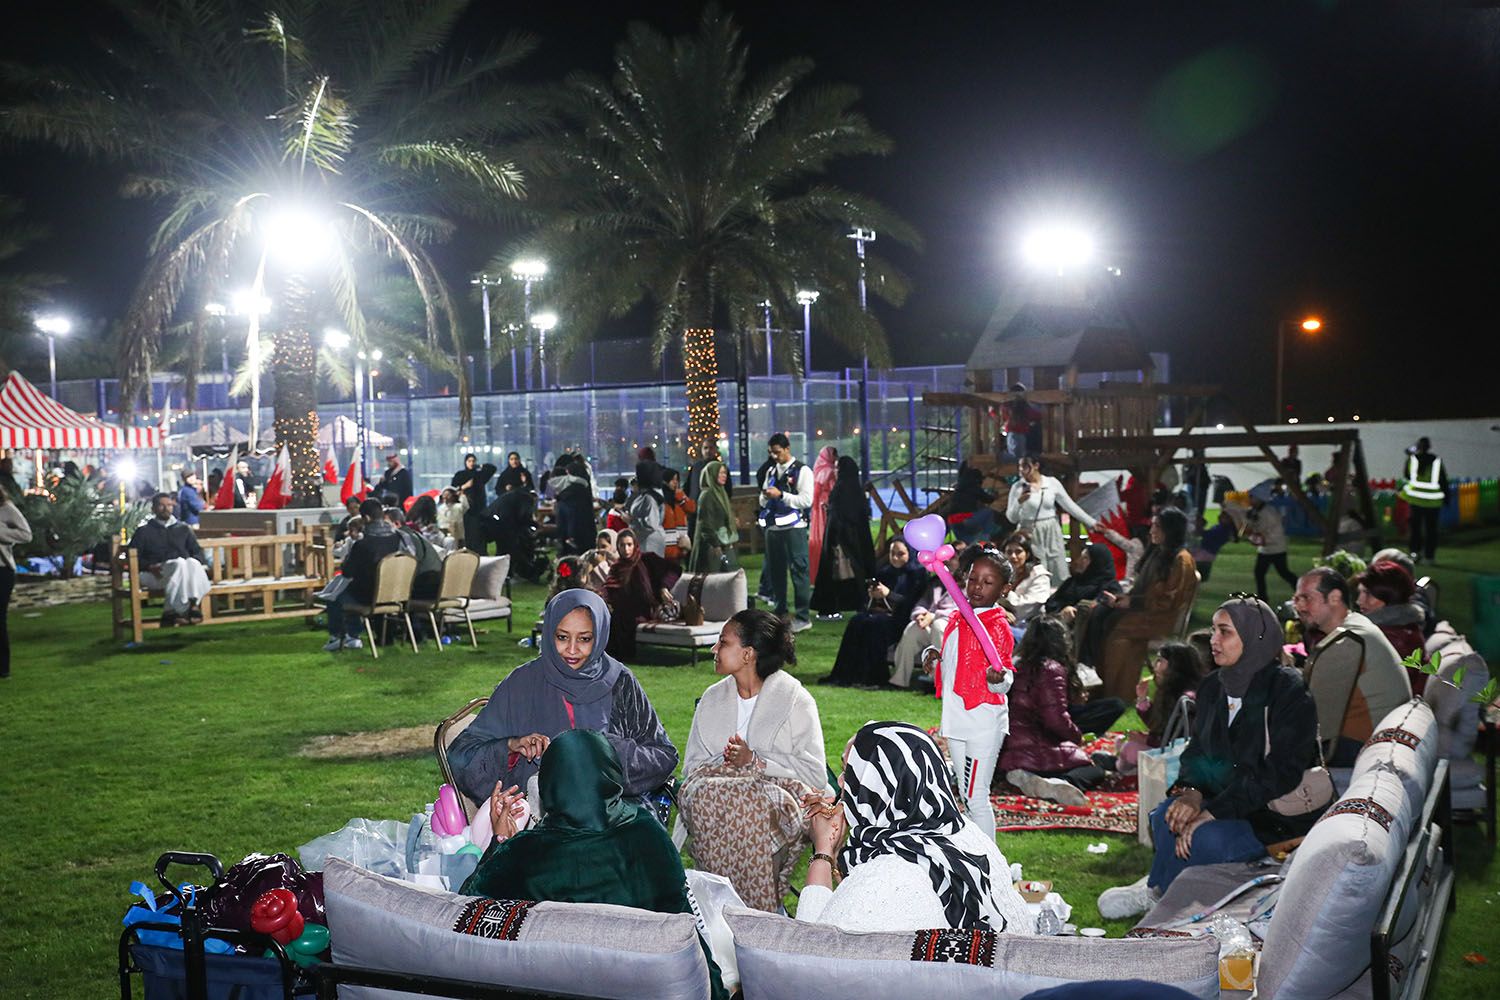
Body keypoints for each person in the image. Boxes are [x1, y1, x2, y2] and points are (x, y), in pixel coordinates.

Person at [1098, 597, 1326, 920]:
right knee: (1166, 816)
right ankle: (1162, 888)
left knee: (1205, 837)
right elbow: (1198, 753)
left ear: (1255, 637)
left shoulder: (1287, 690)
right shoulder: (1213, 687)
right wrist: (1191, 792)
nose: (1214, 640)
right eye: (1214, 630)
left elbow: (1280, 773)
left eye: (1225, 632)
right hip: (1225, 798)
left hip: (1273, 816)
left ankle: (1165, 894)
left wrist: (1212, 812)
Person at [458, 729, 726, 1000]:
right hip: (653, 987)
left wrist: (500, 842)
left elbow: (464, 909)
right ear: (611, 773)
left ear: (549, 784)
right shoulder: (648, 834)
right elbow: (687, 928)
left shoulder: (525, 853)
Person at [447, 590, 678, 808]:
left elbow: (664, 756)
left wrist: (607, 753)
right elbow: (461, 756)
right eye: (562, 637)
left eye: (584, 639)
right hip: (540, 818)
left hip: (613, 813)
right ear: (549, 633)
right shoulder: (521, 683)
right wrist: (510, 747)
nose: (572, 650)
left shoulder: (620, 682)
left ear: (600, 636)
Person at [798, 721, 1034, 932]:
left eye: (850, 772)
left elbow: (810, 947)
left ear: (882, 787)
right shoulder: (969, 833)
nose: (841, 782)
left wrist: (823, 852)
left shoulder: (886, 877)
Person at [677, 610, 826, 911]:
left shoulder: (795, 700)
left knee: (749, 811)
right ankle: (741, 912)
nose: (714, 649)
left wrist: (756, 761)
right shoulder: (712, 699)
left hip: (773, 809)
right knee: (721, 804)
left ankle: (741, 911)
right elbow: (692, 769)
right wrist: (727, 766)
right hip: (714, 803)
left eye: (723, 642)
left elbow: (815, 775)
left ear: (747, 654)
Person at [918, 544, 1015, 839]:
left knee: (975, 797)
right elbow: (958, 659)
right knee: (965, 793)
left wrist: (996, 678)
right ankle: (975, 853)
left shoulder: (997, 626)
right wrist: (933, 654)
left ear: (1004, 589)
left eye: (988, 582)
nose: (977, 587)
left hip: (981, 721)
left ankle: (990, 861)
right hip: (957, 719)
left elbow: (1005, 676)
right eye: (973, 579)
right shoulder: (959, 617)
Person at [1294, 567, 1412, 766]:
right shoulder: (1357, 626)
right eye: (1296, 599)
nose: (1299, 606)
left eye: (1306, 598)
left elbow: (1309, 713)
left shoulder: (1348, 642)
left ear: (1334, 597)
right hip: (1380, 743)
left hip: (1361, 750)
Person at [1081, 508, 1197, 703]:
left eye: (1157, 526)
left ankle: (1115, 693)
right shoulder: (1158, 552)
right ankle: (1095, 684)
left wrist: (1133, 602)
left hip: (1160, 618)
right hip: (1143, 610)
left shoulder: (1181, 560)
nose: (1151, 531)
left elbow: (1168, 601)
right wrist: (1121, 599)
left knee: (1116, 632)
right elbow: (1143, 589)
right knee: (1098, 615)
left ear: (1170, 530)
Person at [999, 616, 1102, 807]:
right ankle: (1062, 783)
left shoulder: (1018, 665)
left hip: (1012, 746)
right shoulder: (1051, 669)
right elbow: (1055, 719)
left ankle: (1029, 777)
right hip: (1038, 745)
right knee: (1095, 769)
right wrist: (1076, 737)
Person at [822, 539, 929, 687]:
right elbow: (867, 602)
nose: (895, 558)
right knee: (857, 621)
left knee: (876, 625)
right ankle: (847, 674)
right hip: (881, 614)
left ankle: (873, 677)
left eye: (900, 554)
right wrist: (873, 595)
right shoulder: (885, 572)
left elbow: (912, 602)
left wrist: (889, 594)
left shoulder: (917, 575)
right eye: (892, 553)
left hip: (902, 619)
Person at [1101, 640, 1207, 775]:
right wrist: (1142, 698)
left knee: (1129, 748)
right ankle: (1130, 766)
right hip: (1166, 750)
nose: (1154, 665)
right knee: (1121, 742)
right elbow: (1157, 724)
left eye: (1160, 661)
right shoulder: (1170, 691)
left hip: (1179, 759)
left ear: (1175, 665)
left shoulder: (1187, 700)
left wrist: (1146, 740)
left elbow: (1178, 741)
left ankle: (1121, 769)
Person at [322, 497, 402, 651]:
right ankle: (352, 636)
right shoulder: (398, 538)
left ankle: (340, 637)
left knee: (335, 596)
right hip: (396, 592)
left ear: (366, 518)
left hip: (369, 595)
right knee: (350, 590)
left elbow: (347, 572)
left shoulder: (363, 544)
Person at [1005, 455, 1098, 584]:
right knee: (1037, 566)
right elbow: (1011, 518)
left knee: (1056, 563)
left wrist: (1091, 522)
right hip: (1030, 531)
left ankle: (1059, 592)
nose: (1021, 470)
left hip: (1051, 529)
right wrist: (1019, 502)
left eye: (1025, 466)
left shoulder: (1051, 483)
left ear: (1036, 466)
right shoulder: (1017, 487)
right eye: (1020, 466)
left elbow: (1070, 506)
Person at [758, 433, 815, 633]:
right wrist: (765, 497)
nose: (774, 456)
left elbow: (806, 500)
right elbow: (762, 499)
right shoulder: (771, 471)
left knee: (799, 570)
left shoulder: (803, 470)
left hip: (794, 528)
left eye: (777, 452)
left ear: (787, 448)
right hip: (773, 528)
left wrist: (782, 495)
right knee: (776, 572)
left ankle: (803, 616)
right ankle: (780, 612)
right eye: (771, 453)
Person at [129, 493, 211, 627]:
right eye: (161, 506)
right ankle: (191, 608)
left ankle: (172, 611)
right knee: (180, 564)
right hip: (154, 574)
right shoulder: (144, 531)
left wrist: (191, 564)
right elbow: (134, 557)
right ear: (154, 509)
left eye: (169, 505)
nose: (166, 509)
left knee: (190, 563)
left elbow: (197, 553)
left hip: (182, 573)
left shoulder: (183, 529)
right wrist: (149, 566)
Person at [810, 456, 875, 617]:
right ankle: (860, 603)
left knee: (834, 575)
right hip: (856, 542)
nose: (835, 471)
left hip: (839, 540)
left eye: (838, 468)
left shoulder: (839, 490)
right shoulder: (856, 491)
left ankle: (833, 607)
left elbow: (837, 517)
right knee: (857, 572)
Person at [889, 551, 961, 689]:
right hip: (930, 624)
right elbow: (923, 602)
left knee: (938, 626)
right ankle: (900, 679)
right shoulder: (936, 583)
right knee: (912, 629)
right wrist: (920, 615)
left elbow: (961, 610)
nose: (947, 561)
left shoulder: (967, 584)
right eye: (945, 559)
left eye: (952, 558)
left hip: (954, 627)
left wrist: (934, 616)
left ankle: (938, 680)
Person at [601, 529, 665, 660]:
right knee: (613, 616)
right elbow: (609, 587)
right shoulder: (616, 567)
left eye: (629, 545)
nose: (626, 549)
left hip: (644, 607)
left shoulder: (647, 560)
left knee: (623, 617)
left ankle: (624, 654)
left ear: (635, 545)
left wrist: (663, 588)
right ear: (618, 547)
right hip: (623, 606)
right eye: (622, 545)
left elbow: (671, 570)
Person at [1353, 560, 1426, 675]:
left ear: (1390, 595)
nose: (1359, 601)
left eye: (1368, 594)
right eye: (1360, 593)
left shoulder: (1392, 638)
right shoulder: (1400, 626)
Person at [0, 482, 33, 679]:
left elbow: (26, 534)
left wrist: (1, 533)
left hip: (2, 570)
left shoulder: (6, 508)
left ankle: (3, 668)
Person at [1043, 541, 1119, 625]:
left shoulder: (1110, 587)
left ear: (1097, 562)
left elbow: (1099, 608)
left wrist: (1074, 611)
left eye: (1085, 558)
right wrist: (1062, 612)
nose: (1079, 561)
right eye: (1081, 557)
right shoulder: (1072, 581)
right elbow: (1052, 602)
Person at [1398, 437, 1447, 563]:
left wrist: (1410, 454)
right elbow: (1442, 479)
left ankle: (1415, 553)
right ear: (1429, 447)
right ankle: (1429, 557)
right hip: (1433, 501)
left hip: (1416, 500)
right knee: (1431, 530)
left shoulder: (1412, 459)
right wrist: (1447, 497)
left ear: (1418, 447)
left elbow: (1407, 475)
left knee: (1415, 529)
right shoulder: (1437, 460)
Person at [688, 460, 738, 574]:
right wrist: (716, 545)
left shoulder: (721, 493)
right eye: (720, 473)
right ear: (712, 474)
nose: (724, 476)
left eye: (725, 473)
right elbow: (705, 524)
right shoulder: (707, 495)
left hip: (723, 542)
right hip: (711, 546)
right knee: (712, 578)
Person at [1245, 497, 1297, 602]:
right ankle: (1262, 598)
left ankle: (1300, 588)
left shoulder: (1268, 512)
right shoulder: (1258, 511)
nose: (1250, 500)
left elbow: (1265, 529)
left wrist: (1255, 535)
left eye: (1252, 498)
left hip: (1275, 547)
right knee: (1260, 573)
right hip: (1267, 548)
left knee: (1283, 573)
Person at [999, 532, 1054, 628]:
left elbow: (1024, 609)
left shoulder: (1040, 576)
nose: (1013, 556)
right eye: (1009, 552)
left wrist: (1004, 591)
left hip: (1030, 627)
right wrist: (1001, 610)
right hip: (1002, 621)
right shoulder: (1003, 572)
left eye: (1018, 552)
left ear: (1027, 554)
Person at [451, 454, 496, 554]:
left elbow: (492, 468)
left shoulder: (479, 475)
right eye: (469, 461)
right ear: (465, 462)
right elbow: (453, 490)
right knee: (467, 534)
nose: (471, 463)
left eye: (473, 461)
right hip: (466, 510)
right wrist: (464, 486)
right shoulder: (460, 475)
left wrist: (479, 466)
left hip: (479, 509)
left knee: (480, 534)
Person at [947, 461, 999, 545]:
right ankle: (985, 539)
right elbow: (988, 499)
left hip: (953, 522)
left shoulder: (959, 486)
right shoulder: (974, 486)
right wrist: (995, 496)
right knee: (989, 512)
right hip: (966, 518)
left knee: (966, 543)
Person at [807, 445, 838, 583]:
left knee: (818, 537)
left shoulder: (817, 471)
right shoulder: (830, 471)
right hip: (827, 508)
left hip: (817, 509)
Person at [628, 461, 668, 558]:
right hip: (646, 541)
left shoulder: (649, 498)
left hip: (649, 543)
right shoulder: (650, 495)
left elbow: (651, 524)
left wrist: (631, 520)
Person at [1190, 510, 1238, 582]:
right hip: (1206, 555)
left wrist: (1200, 526)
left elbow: (1206, 534)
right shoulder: (1220, 528)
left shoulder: (1222, 530)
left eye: (1223, 516)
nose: (1219, 516)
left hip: (1204, 555)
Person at [1000, 383, 1043, 461]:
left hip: (1012, 433)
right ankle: (1005, 458)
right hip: (1020, 433)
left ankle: (1003, 457)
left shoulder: (1006, 406)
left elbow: (998, 414)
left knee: (1016, 454)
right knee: (1018, 455)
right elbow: (1036, 415)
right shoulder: (1025, 407)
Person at [661, 468, 695, 563]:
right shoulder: (660, 499)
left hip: (680, 545)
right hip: (665, 547)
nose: (675, 482)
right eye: (672, 479)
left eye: (677, 479)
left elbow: (692, 508)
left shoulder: (679, 498)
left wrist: (681, 497)